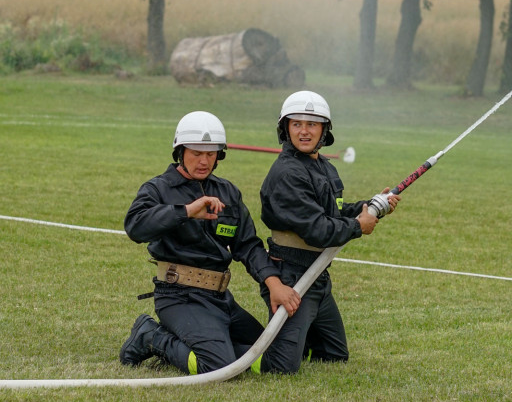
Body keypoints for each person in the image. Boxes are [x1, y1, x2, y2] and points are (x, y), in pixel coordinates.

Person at [119, 110, 300, 375]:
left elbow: (248, 245)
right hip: (179, 298)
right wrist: (187, 211)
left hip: (220, 299)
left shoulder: (228, 192)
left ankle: (214, 343)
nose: (204, 161)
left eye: (211, 153)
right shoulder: (158, 189)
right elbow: (135, 227)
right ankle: (150, 335)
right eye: (196, 153)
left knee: (274, 357)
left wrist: (275, 284)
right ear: (180, 151)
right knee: (217, 366)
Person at [251, 90, 400, 375]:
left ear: (324, 130)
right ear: (286, 128)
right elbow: (318, 231)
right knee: (282, 369)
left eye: (312, 125)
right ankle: (220, 351)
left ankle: (297, 337)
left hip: (316, 276)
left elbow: (333, 212)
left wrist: (370, 206)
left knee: (333, 355)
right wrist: (359, 226)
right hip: (292, 278)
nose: (304, 131)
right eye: (297, 124)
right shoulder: (288, 174)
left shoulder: (323, 168)